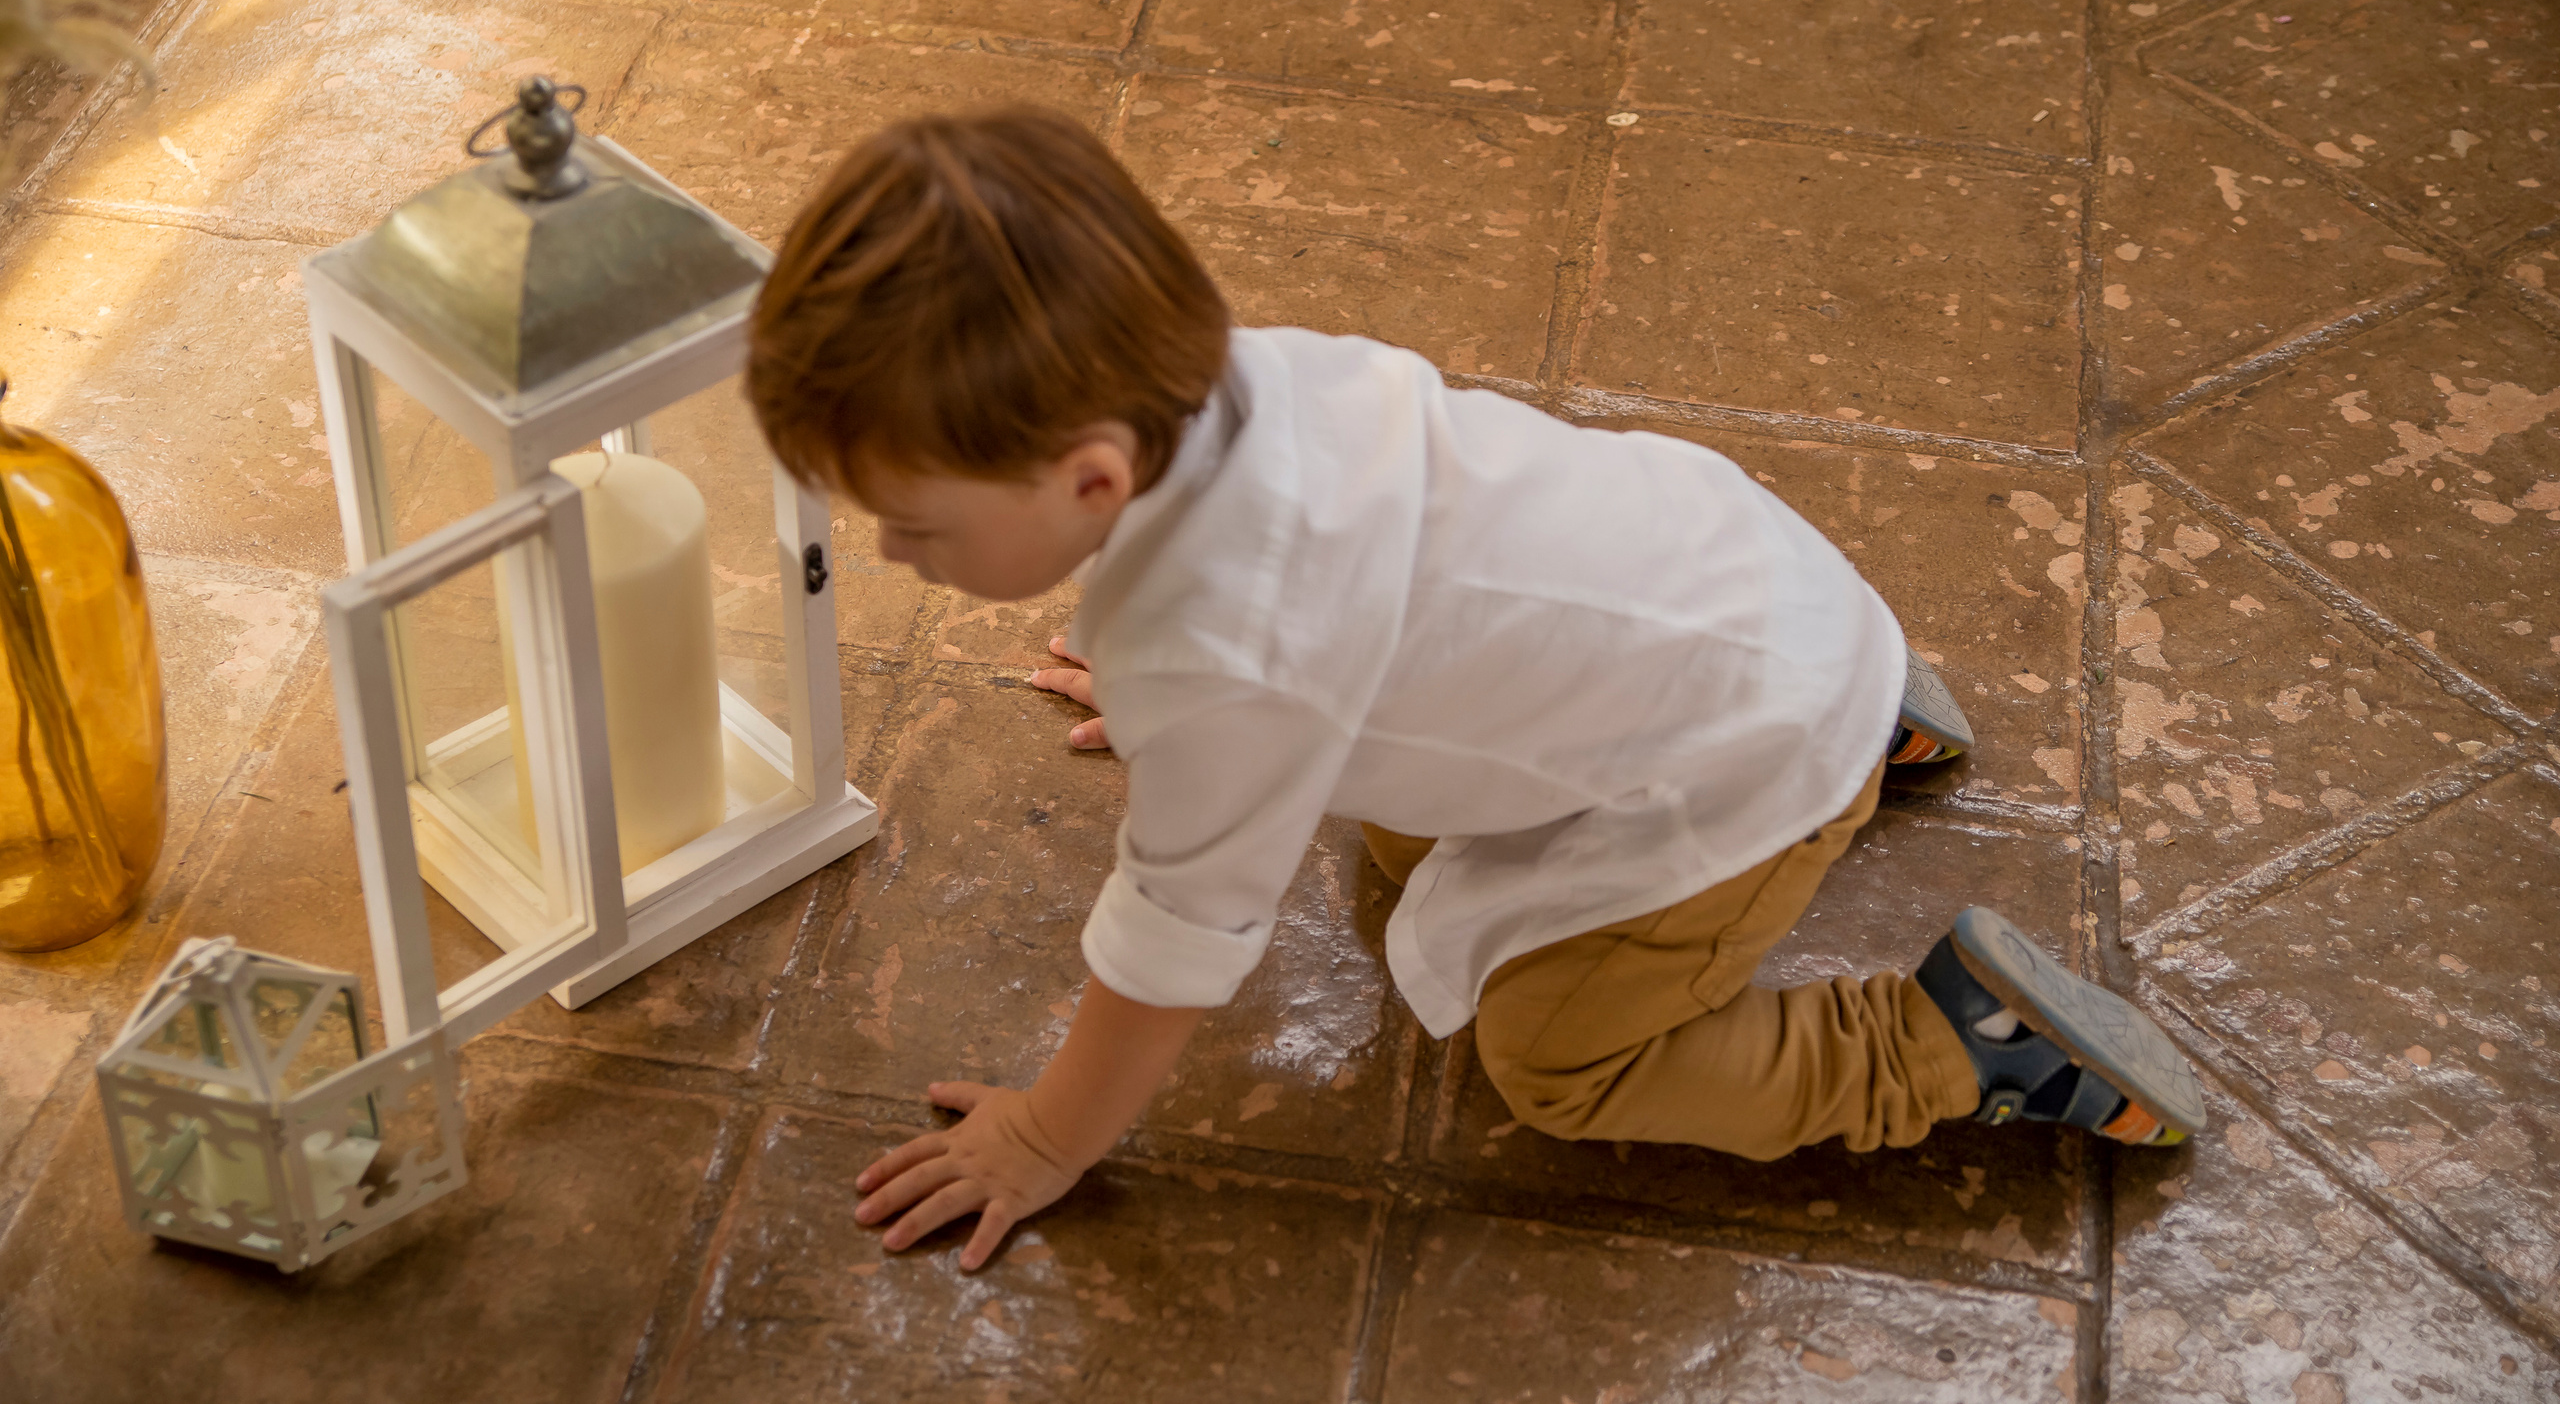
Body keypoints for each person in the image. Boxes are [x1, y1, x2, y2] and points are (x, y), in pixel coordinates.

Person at [743, 107, 2205, 1272]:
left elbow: (1173, 942)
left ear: (1092, 480)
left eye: (919, 527)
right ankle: (1866, 717)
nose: (893, 552)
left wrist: (1051, 1137)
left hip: (1746, 743)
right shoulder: (1245, 380)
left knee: (1556, 1057)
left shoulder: (1228, 664)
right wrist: (1195, 699)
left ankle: (1954, 1046)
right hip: (1749, 588)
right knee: (1396, 855)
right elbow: (1342, 604)